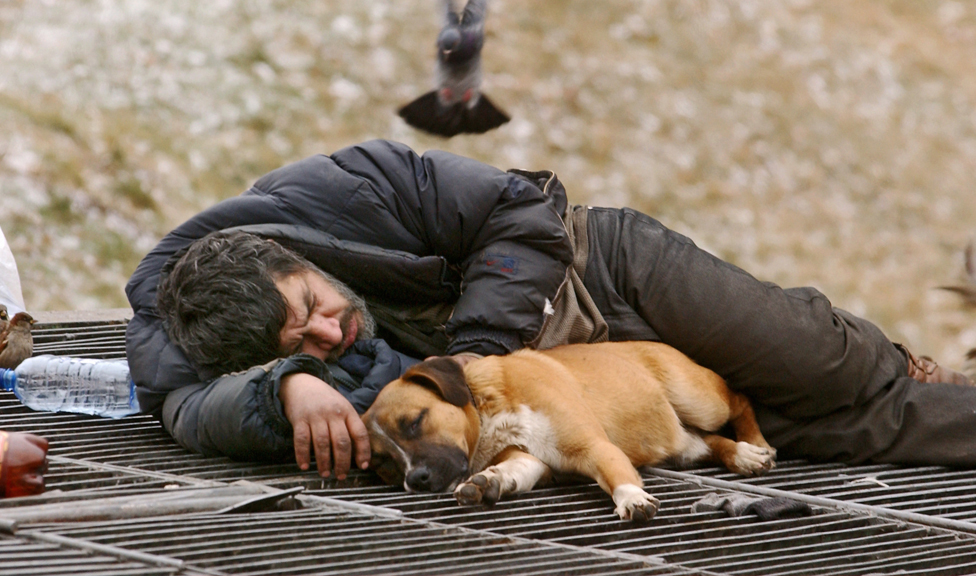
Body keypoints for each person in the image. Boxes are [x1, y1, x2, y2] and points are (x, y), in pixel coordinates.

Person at [125, 139, 976, 481]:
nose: (327, 331)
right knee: (823, 432)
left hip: (600, 272)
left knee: (824, 369)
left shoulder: (343, 185)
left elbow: (527, 206)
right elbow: (182, 408)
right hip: (568, 386)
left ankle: (876, 350)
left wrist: (480, 352)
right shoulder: (180, 333)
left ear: (294, 258)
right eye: (299, 341)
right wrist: (286, 388)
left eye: (311, 303)